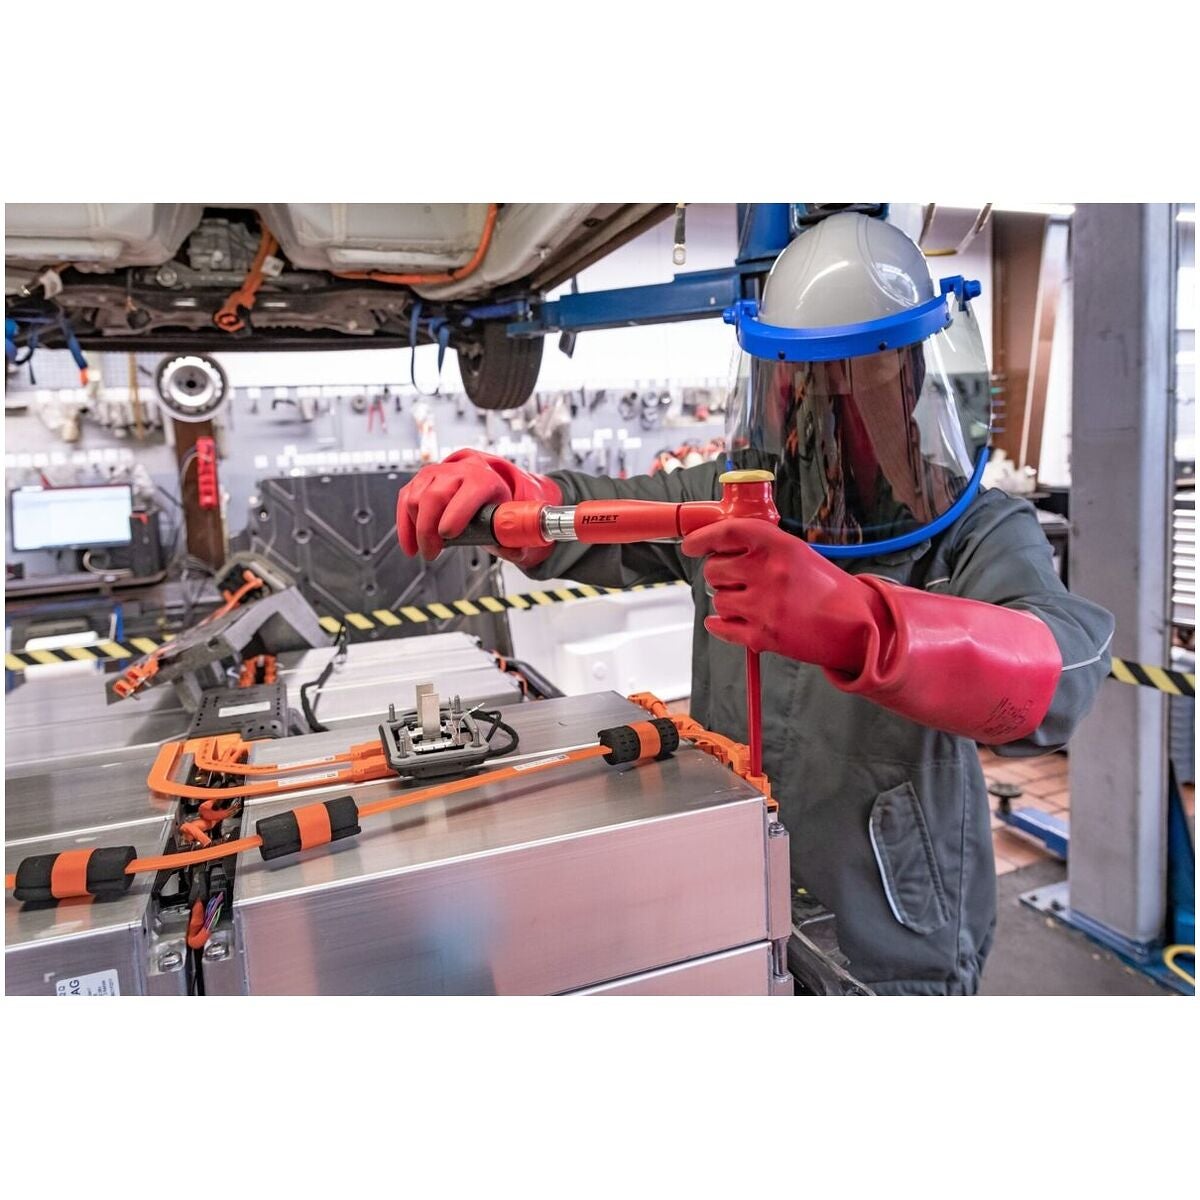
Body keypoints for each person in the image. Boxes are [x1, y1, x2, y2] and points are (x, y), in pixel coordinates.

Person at [395, 212, 1114, 995]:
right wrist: (520, 496)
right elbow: (604, 514)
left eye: (857, 379)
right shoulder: (735, 501)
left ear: (912, 375)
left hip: (894, 938)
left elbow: (1063, 667)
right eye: (801, 380)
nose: (824, 409)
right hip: (731, 900)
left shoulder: (974, 532)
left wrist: (864, 628)